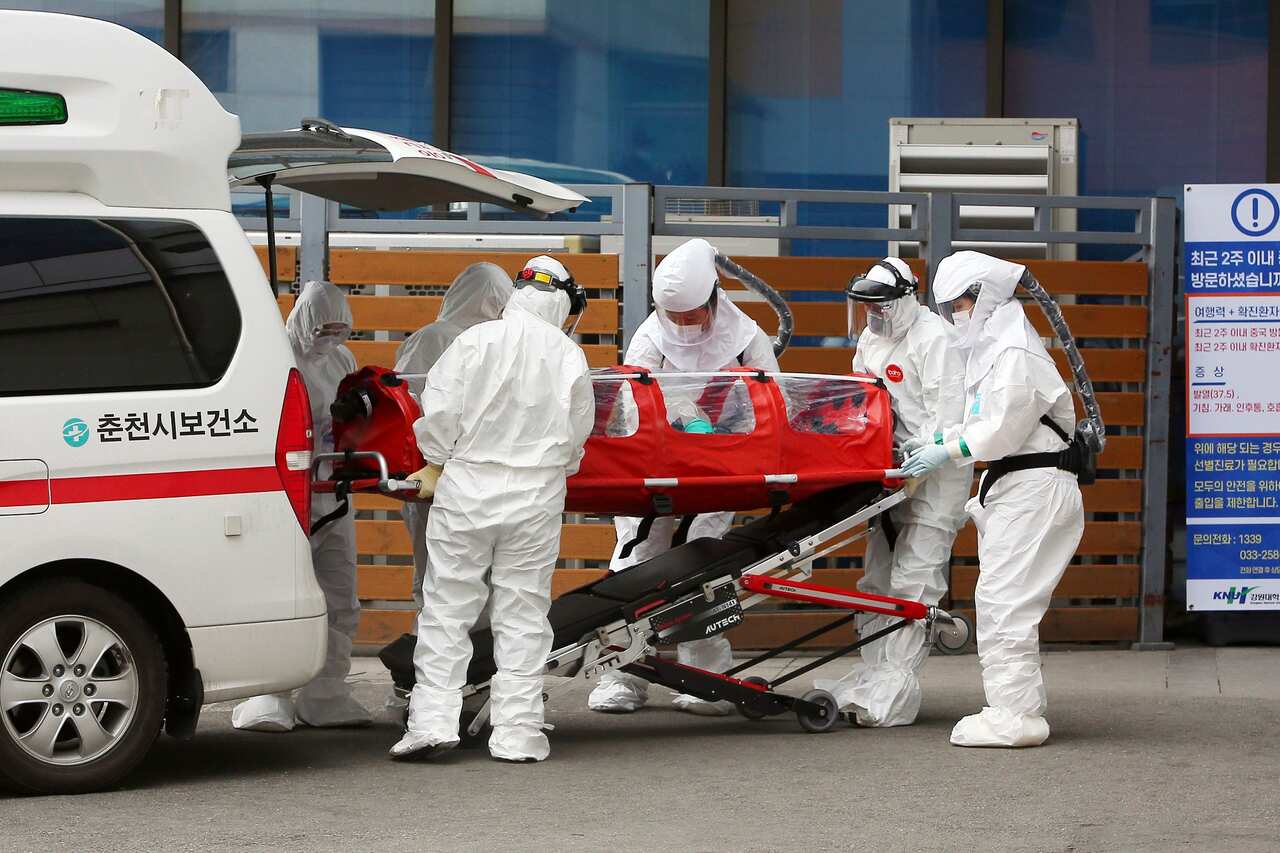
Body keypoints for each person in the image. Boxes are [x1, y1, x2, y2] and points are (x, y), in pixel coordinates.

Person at [390, 256, 593, 763]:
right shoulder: (569, 355)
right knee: (523, 611)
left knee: (446, 609)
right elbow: (576, 436)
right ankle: (517, 732)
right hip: (537, 496)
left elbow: (437, 414)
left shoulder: (472, 342)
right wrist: (548, 466)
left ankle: (432, 724)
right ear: (563, 302)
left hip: (466, 489)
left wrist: (441, 459)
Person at [587, 237, 780, 717]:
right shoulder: (650, 337)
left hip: (720, 464)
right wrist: (678, 412)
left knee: (704, 561)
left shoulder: (746, 338)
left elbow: (771, 401)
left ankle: (705, 677)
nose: (683, 326)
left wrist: (721, 429)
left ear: (715, 298)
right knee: (636, 558)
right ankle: (624, 677)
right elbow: (631, 400)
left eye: (691, 316)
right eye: (675, 317)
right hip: (654, 464)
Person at [898, 250, 1085, 748]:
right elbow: (988, 420)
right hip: (1018, 488)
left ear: (981, 299)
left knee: (1005, 604)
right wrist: (942, 440)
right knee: (1001, 600)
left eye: (957, 305)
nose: (952, 316)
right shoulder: (996, 349)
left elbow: (1002, 430)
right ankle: (1013, 708)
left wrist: (947, 447)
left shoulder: (1014, 354)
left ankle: (1015, 715)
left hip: (1034, 489)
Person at [812, 258, 970, 727]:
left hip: (936, 472)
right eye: (865, 308)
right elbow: (864, 400)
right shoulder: (870, 338)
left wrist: (931, 449)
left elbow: (953, 410)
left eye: (880, 307)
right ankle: (874, 671)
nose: (872, 316)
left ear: (905, 300)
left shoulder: (934, 339)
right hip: (890, 469)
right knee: (877, 579)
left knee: (915, 578)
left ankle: (894, 690)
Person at [233, 280, 372, 731]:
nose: (329, 337)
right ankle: (268, 695)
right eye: (324, 328)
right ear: (306, 320)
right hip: (286, 499)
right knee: (280, 597)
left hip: (333, 494)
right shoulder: (275, 358)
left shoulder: (341, 359)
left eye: (339, 329)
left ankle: (327, 693)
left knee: (339, 596)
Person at [395, 263, 513, 614]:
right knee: (453, 578)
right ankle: (456, 664)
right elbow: (413, 404)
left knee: (450, 578)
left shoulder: (483, 339)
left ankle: (457, 665)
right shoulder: (438, 338)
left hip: (458, 478)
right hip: (449, 476)